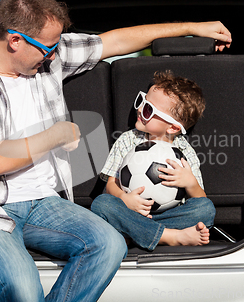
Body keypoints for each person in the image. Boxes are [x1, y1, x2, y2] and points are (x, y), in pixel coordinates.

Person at [0, 0, 231, 302]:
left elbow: (115, 41)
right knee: (22, 287)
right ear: (15, 40)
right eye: (48, 47)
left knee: (109, 244)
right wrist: (55, 135)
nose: (54, 54)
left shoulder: (48, 56)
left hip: (43, 203)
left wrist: (191, 28)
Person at [91, 71, 216, 251]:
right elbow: (111, 184)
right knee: (101, 204)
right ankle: (170, 237)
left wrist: (189, 182)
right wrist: (124, 199)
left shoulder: (185, 152)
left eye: (149, 109)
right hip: (128, 212)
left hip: (169, 215)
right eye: (142, 101)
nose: (140, 109)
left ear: (173, 127)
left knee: (206, 209)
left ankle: (133, 233)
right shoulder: (127, 140)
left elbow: (200, 199)